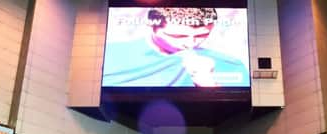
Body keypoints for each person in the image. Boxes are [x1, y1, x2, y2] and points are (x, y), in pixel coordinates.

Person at [103, 8, 250, 87]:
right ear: (152, 26)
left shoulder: (231, 64)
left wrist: (207, 83)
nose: (190, 43)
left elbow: (231, 116)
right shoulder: (109, 55)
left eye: (201, 35)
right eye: (178, 36)